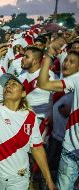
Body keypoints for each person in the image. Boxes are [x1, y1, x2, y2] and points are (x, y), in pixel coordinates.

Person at [0, 38, 55, 190]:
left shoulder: (30, 116)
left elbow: (37, 148)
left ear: (23, 93)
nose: (8, 86)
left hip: (19, 180)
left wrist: (49, 180)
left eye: (13, 84)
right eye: (6, 84)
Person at [38, 37, 79, 190]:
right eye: (66, 60)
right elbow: (43, 84)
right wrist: (49, 56)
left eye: (72, 61)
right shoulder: (75, 79)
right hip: (69, 148)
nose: (66, 63)